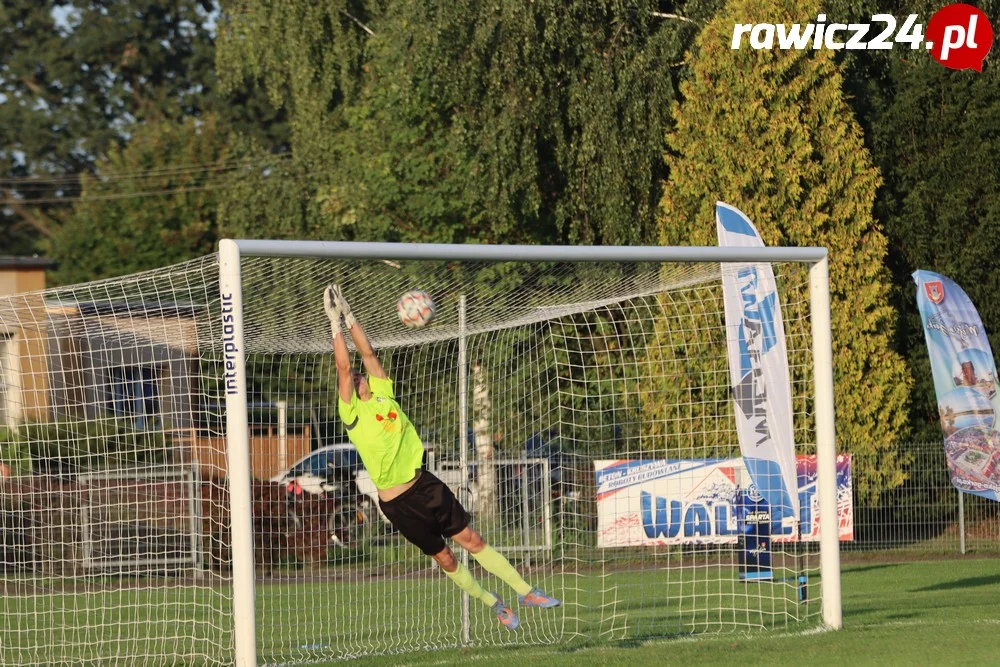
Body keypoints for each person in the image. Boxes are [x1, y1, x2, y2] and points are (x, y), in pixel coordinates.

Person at [323, 285, 560, 631]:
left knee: (473, 541)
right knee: (446, 558)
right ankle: (494, 603)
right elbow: (344, 368)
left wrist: (350, 314)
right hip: (398, 504)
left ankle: (526, 591)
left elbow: (368, 355)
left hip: (426, 485)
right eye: (354, 377)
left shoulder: (384, 395)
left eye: (360, 376)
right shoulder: (352, 414)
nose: (357, 376)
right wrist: (334, 325)